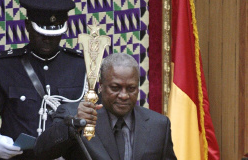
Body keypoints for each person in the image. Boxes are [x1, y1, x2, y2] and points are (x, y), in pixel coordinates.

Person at [0, 0, 87, 160]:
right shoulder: (4, 67)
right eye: (42, 34)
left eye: (54, 35)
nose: (48, 40)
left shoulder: (80, 66)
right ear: (27, 25)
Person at [34, 53, 177, 160]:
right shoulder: (73, 115)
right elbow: (41, 151)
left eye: (131, 88)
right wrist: (73, 125)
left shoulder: (159, 125)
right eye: (115, 88)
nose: (124, 95)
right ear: (101, 86)